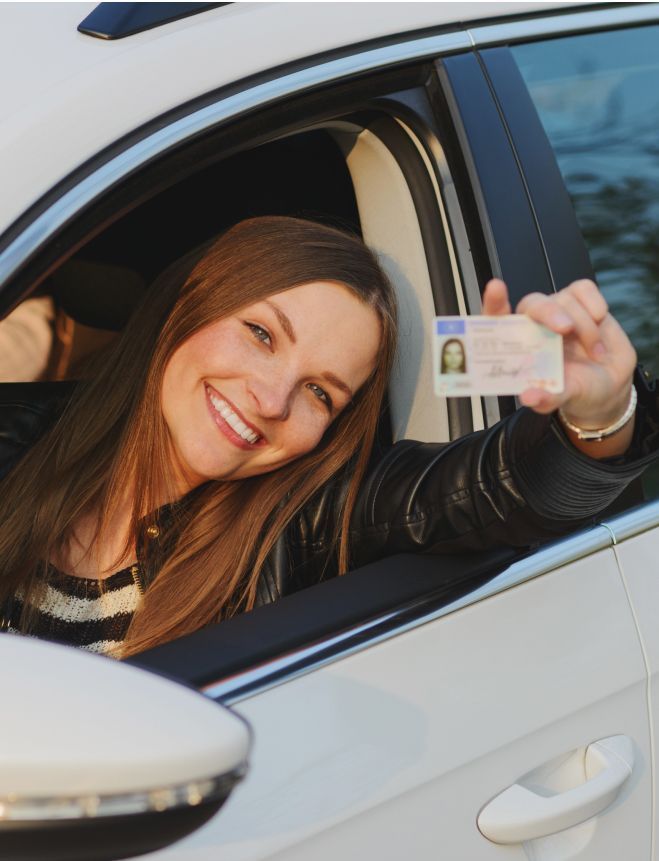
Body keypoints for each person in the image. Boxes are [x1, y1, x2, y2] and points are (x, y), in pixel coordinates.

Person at [0, 216, 656, 658]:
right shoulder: (16, 435)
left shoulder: (303, 521)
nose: (270, 397)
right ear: (185, 305)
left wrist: (599, 411)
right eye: (260, 333)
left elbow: (508, 490)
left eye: (320, 391)